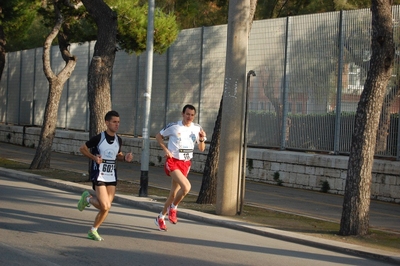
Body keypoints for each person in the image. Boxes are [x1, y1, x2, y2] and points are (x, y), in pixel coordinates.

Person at [77, 110, 133, 241]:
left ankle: (93, 230)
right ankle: (87, 200)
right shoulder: (99, 138)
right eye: (114, 122)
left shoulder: (118, 139)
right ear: (107, 123)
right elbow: (82, 148)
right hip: (99, 175)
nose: (117, 124)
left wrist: (125, 157)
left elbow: (117, 155)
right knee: (105, 206)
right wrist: (93, 157)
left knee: (106, 206)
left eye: (118, 122)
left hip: (111, 176)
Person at [154, 104, 207, 231]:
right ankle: (173, 207)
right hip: (173, 162)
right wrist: (166, 149)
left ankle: (160, 218)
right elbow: (158, 136)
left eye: (192, 115)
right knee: (186, 187)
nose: (189, 117)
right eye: (187, 114)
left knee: (173, 194)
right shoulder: (174, 126)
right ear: (182, 114)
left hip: (185, 163)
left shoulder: (197, 128)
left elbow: (201, 148)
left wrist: (201, 139)